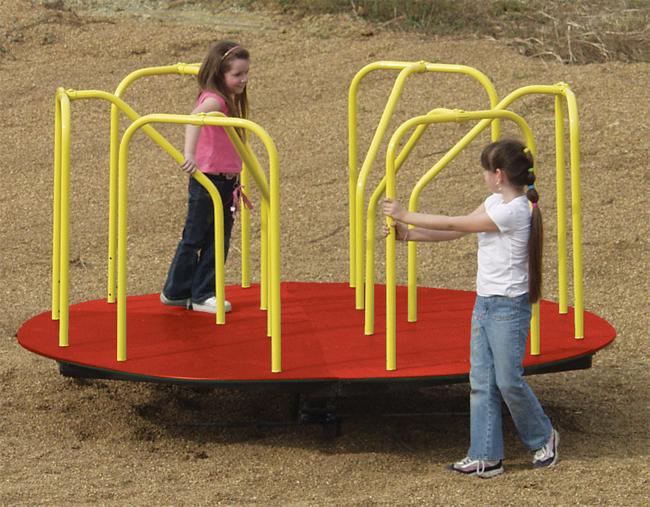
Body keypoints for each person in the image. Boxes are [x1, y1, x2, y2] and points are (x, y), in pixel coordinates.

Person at [383, 139, 559, 478]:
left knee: (508, 381)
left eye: (485, 171)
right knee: (481, 380)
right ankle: (485, 454)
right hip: (485, 302)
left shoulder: (515, 210)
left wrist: (406, 213)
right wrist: (409, 234)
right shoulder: (495, 202)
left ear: (498, 174)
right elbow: (455, 232)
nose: (483, 177)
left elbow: (455, 224)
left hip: (508, 306)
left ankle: (543, 436)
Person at [160, 41, 250, 313]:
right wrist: (189, 155)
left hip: (226, 180)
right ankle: (198, 292)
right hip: (210, 178)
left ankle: (182, 291)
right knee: (202, 236)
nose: (243, 80)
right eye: (237, 74)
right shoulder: (215, 100)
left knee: (210, 236)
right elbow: (193, 120)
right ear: (220, 73)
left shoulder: (225, 99)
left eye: (246, 73)